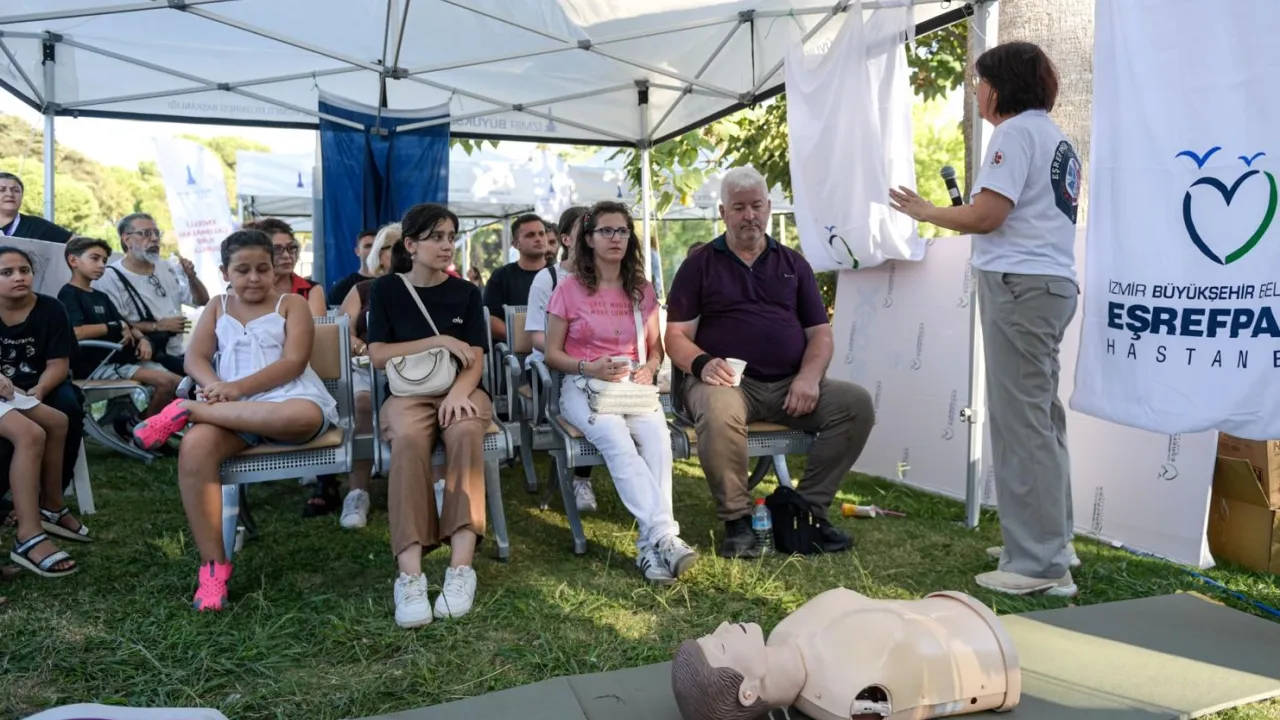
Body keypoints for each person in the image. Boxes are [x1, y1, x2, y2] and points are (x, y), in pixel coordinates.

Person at [889, 41, 1081, 598]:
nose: (975, 91)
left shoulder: (1014, 134)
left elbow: (987, 216)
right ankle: (1049, 541)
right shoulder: (1055, 137)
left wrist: (926, 211)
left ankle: (1040, 563)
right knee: (1041, 420)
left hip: (1021, 289)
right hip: (1046, 286)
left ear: (999, 87)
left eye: (979, 81)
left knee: (1023, 425)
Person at [665, 166, 874, 559]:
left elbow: (820, 334)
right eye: (739, 207)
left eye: (756, 206)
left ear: (769, 207)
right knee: (718, 408)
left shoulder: (793, 263)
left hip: (789, 386)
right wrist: (702, 363)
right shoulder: (699, 265)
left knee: (856, 404)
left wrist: (809, 378)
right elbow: (675, 336)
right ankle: (738, 521)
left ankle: (806, 512)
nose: (750, 215)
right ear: (723, 212)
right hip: (726, 382)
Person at [131, 229, 338, 611]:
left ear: (274, 268)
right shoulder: (217, 305)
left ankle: (187, 410)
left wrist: (234, 389)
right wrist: (215, 386)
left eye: (263, 268)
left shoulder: (292, 304)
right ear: (225, 272)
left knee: (304, 416)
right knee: (195, 446)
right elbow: (195, 358)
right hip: (228, 408)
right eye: (243, 270)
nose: (254, 278)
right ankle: (213, 567)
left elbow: (293, 363)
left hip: (284, 398)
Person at [545, 201, 697, 585]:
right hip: (582, 385)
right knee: (617, 440)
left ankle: (650, 546)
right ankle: (665, 536)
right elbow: (552, 354)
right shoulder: (568, 289)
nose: (616, 238)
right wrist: (589, 367)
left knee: (658, 441)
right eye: (606, 231)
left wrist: (650, 366)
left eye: (623, 231)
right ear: (589, 239)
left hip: (632, 386)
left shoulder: (641, 289)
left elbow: (656, 347)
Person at [367, 203, 492, 627]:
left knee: (465, 434)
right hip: (407, 395)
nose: (446, 245)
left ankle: (461, 569)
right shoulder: (387, 290)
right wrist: (437, 340)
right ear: (410, 244)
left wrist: (458, 393)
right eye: (436, 237)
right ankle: (410, 576)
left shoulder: (467, 293)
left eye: (451, 237)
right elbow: (378, 354)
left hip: (462, 388)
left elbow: (475, 358)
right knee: (406, 441)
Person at [0, 247, 92, 578]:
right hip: (5, 390)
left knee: (58, 418)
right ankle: (28, 534)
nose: (19, 277)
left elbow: (58, 363)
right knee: (30, 434)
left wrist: (37, 390)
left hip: (19, 389)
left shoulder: (50, 308)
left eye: (24, 270)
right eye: (7, 272)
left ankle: (51, 506)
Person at [58, 236, 181, 426]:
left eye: (104, 261)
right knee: (167, 382)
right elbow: (76, 332)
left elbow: (125, 323)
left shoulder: (100, 296)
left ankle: (135, 424)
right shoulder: (69, 294)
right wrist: (114, 327)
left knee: (180, 383)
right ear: (73, 260)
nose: (101, 265)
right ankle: (141, 429)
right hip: (96, 366)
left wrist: (143, 339)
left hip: (119, 360)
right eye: (95, 258)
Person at [524, 205, 598, 512]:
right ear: (566, 239)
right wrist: (576, 358)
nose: (593, 238)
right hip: (549, 366)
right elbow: (536, 338)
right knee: (588, 392)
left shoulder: (603, 276)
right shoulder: (549, 278)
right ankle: (582, 478)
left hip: (590, 366)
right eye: (586, 232)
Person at [336, 222, 401, 530]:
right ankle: (358, 491)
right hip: (365, 366)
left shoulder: (429, 288)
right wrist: (364, 348)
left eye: (403, 246)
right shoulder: (362, 289)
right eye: (389, 247)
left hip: (413, 370)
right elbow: (341, 331)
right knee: (362, 403)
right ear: (378, 254)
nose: (397, 253)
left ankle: (428, 485)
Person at [94, 213, 210, 376]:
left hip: (178, 352)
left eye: (157, 233)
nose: (154, 239)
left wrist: (192, 277)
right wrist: (157, 326)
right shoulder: (110, 277)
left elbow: (202, 300)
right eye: (146, 234)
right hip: (144, 357)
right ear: (126, 239)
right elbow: (115, 325)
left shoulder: (167, 267)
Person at [484, 213, 549, 343]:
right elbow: (490, 318)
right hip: (512, 353)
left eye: (541, 234)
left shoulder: (560, 275)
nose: (538, 239)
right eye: (530, 235)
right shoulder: (501, 276)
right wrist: (521, 340)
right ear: (515, 244)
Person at [243, 218, 327, 318]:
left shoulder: (310, 290)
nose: (287, 255)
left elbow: (316, 326)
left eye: (291, 247)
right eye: (277, 249)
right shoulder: (248, 288)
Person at [0, 173, 72, 243]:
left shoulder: (37, 226)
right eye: (1, 190)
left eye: (16, 190)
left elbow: (75, 242)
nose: (10, 194)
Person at [326, 228, 379, 307]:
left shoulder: (392, 283)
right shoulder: (343, 287)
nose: (373, 250)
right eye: (368, 246)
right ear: (357, 251)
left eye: (377, 246)